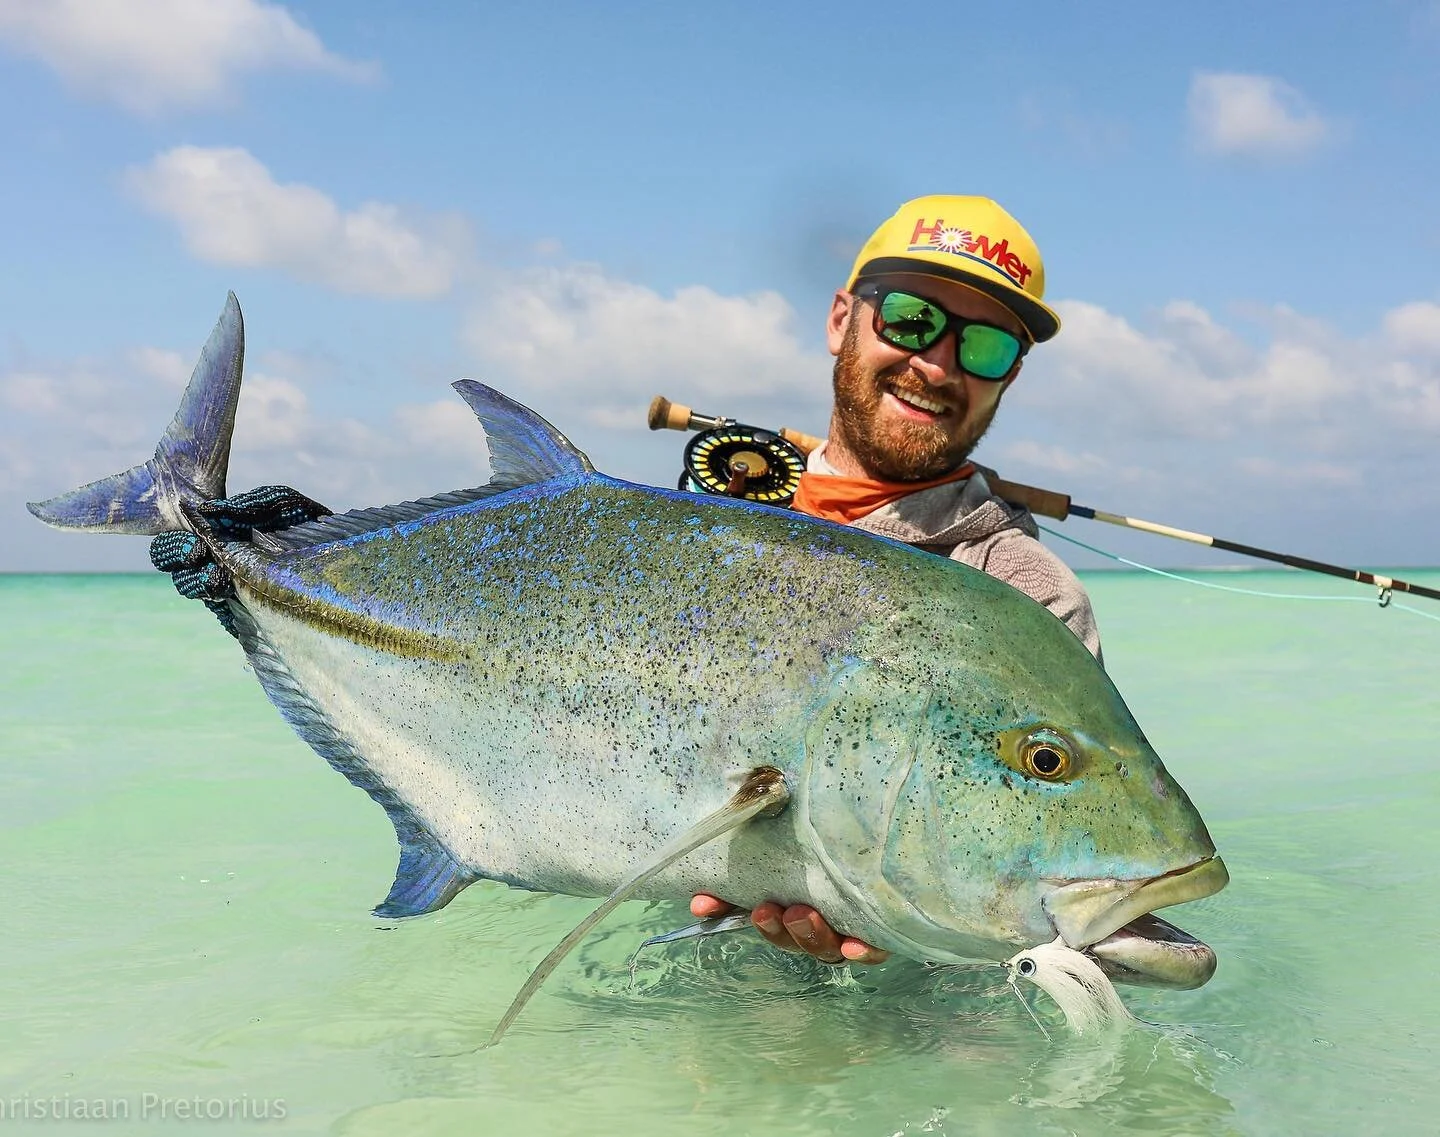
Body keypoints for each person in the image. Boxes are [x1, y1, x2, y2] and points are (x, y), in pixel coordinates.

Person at [689, 194, 1101, 966]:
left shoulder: (1031, 599)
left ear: (1009, 378)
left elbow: (1027, 881)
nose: (938, 365)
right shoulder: (711, 530)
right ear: (841, 318)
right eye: (910, 319)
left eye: (985, 348)